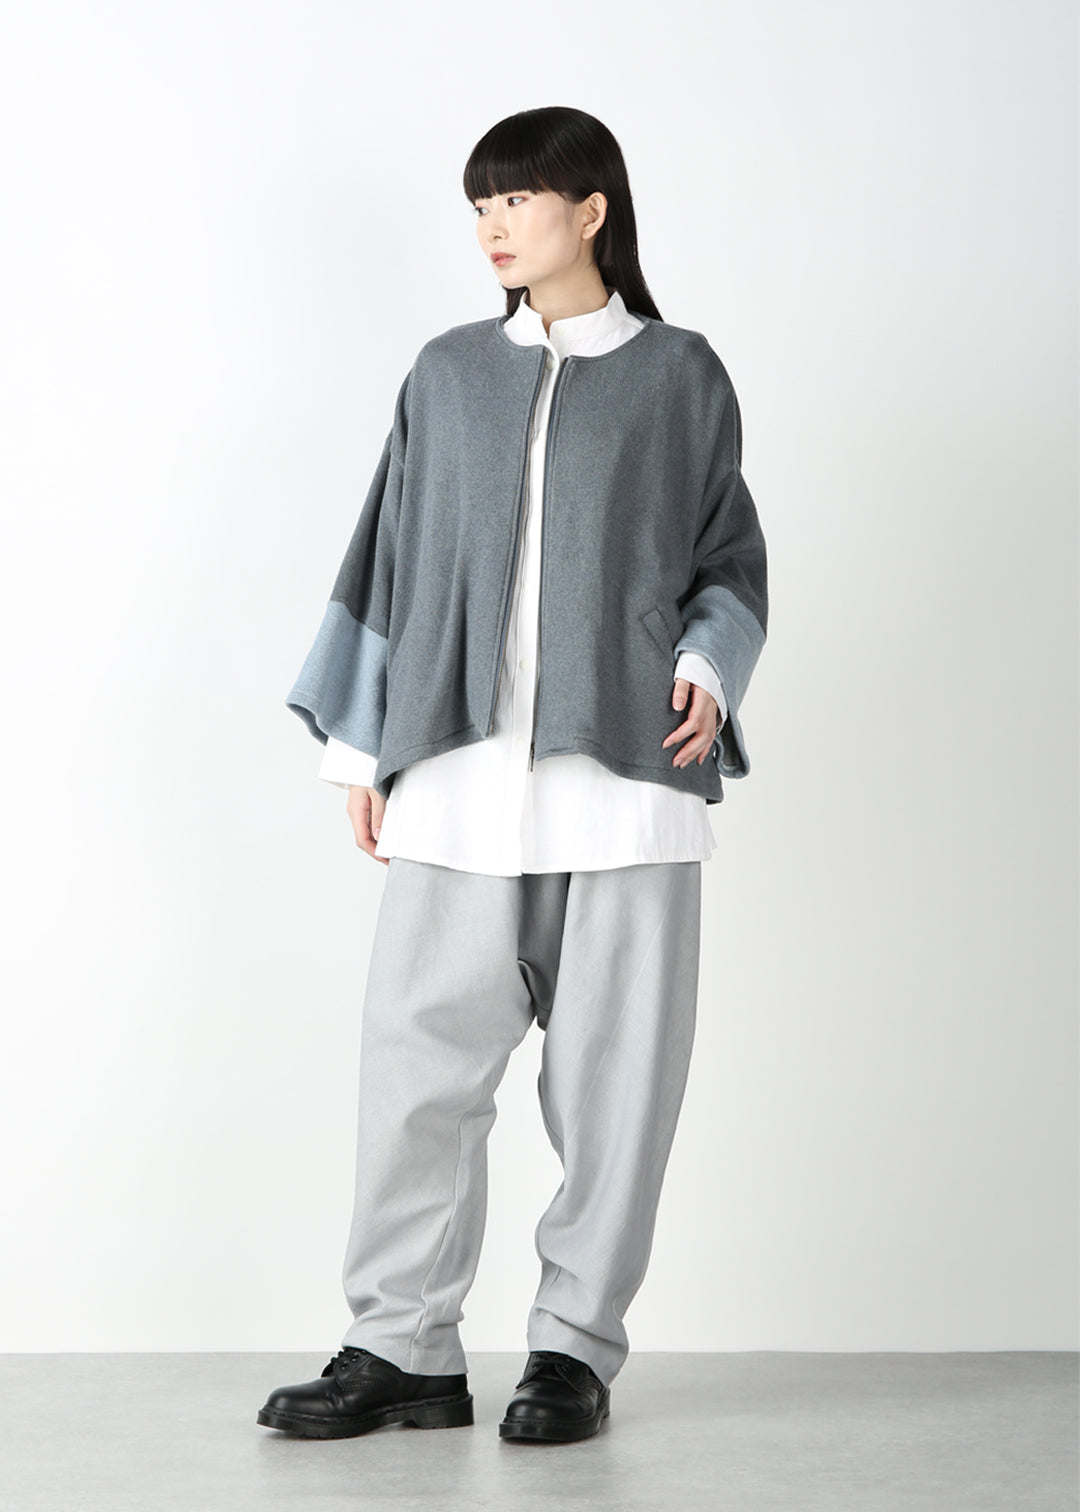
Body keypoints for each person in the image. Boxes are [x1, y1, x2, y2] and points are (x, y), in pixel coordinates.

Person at [259, 104, 768, 1446]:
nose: (492, 225)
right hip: (460, 781)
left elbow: (728, 555)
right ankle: (401, 1349)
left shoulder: (680, 375)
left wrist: (710, 666)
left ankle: (571, 1353)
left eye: (518, 199)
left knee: (615, 1093)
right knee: (415, 1075)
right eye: (480, 204)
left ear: (590, 211)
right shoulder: (445, 375)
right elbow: (387, 557)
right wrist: (366, 747)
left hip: (629, 787)